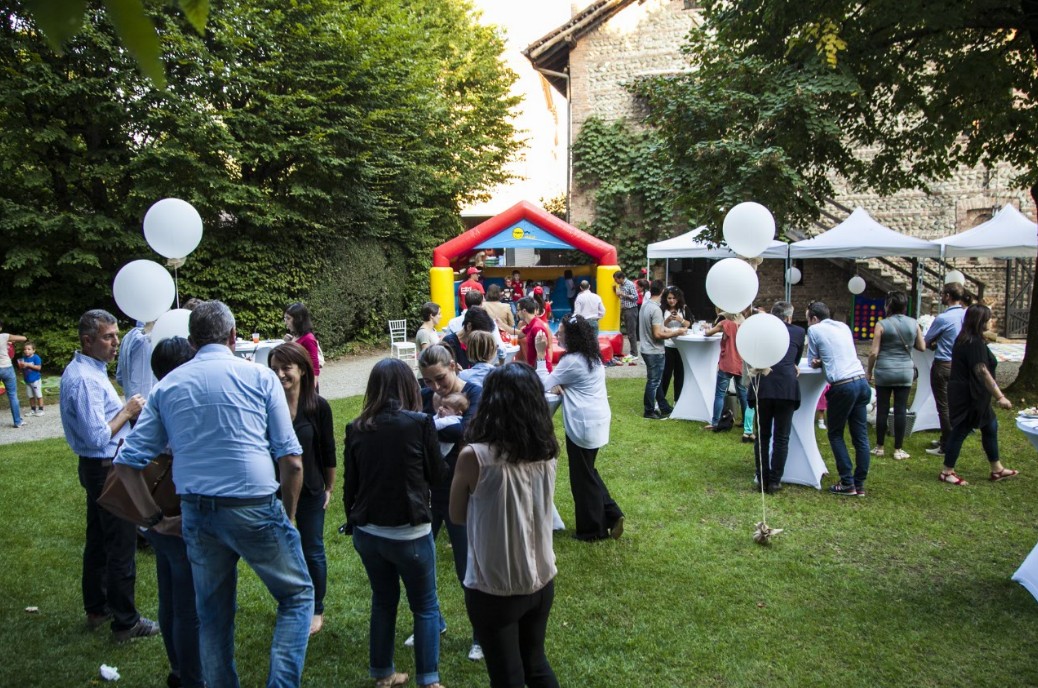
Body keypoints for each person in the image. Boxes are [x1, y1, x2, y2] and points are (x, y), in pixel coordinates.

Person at [117, 300, 313, 687]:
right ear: (233, 336)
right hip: (253, 505)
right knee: (297, 597)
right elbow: (291, 460)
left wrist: (154, 520)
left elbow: (127, 463)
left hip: (198, 512)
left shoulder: (168, 385)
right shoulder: (259, 377)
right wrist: (288, 515)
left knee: (212, 617)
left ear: (192, 342)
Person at [450, 364, 560, 688]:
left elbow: (456, 515)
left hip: (494, 586)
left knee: (507, 678)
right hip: (541, 580)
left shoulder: (474, 456)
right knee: (535, 664)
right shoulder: (547, 451)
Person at [344, 358, 447, 688]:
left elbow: (351, 487)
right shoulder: (418, 423)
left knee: (383, 602)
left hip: (369, 533)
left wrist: (353, 523)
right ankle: (428, 681)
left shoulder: (357, 426)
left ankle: (383, 673)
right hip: (410, 532)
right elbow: (437, 475)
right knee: (426, 606)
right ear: (408, 386)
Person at [59, 309, 157, 639]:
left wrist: (125, 416)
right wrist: (127, 411)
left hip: (99, 468)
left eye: (116, 335)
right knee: (120, 545)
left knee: (99, 540)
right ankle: (126, 622)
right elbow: (97, 437)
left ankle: (98, 607)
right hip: (106, 468)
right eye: (108, 337)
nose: (116, 342)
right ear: (87, 341)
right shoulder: (85, 379)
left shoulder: (90, 369)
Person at [114, 336, 203, 688]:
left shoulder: (155, 399)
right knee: (187, 606)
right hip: (173, 514)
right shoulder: (173, 402)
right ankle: (193, 678)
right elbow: (126, 462)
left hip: (158, 517)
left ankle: (180, 670)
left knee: (171, 597)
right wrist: (156, 517)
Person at [418, 344, 484, 662]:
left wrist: (430, 430)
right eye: (428, 381)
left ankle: (480, 634)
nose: (435, 387)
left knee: (466, 567)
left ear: (454, 366)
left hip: (463, 490)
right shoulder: (423, 396)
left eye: (440, 378)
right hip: (428, 492)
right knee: (419, 561)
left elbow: (467, 435)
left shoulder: (475, 392)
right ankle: (432, 623)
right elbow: (416, 437)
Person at [269, 342, 337, 636]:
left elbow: (328, 449)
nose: (280, 374)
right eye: (274, 369)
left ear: (302, 370)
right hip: (274, 491)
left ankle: (316, 607)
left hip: (310, 490)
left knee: (312, 550)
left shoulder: (317, 406)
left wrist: (329, 487)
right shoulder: (267, 405)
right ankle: (291, 602)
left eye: (286, 368)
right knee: (281, 552)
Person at [535, 315, 622, 541]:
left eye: (561, 332)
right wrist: (562, 384)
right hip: (597, 419)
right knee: (588, 470)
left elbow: (542, 384)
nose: (556, 335)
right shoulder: (590, 357)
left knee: (582, 479)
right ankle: (612, 514)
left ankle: (593, 530)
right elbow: (563, 382)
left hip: (583, 424)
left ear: (572, 337)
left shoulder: (572, 361)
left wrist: (541, 355)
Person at [937, 304, 1018, 486]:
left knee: (990, 426)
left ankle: (997, 469)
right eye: (989, 318)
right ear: (980, 321)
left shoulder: (969, 339)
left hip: (975, 394)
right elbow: (982, 371)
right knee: (961, 430)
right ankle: (947, 471)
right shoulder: (973, 343)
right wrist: (1000, 396)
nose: (992, 321)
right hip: (970, 396)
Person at [806, 301, 871, 497]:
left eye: (808, 319)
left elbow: (811, 361)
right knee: (860, 436)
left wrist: (819, 361)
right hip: (861, 381)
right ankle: (859, 484)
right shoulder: (843, 326)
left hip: (842, 386)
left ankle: (846, 482)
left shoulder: (815, 330)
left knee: (835, 434)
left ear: (814, 319)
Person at [748, 303, 805, 493]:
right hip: (786, 387)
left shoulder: (761, 332)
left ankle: (762, 477)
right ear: (789, 317)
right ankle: (775, 480)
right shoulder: (798, 332)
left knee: (763, 436)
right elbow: (794, 360)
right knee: (782, 436)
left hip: (764, 385)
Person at [866, 291, 925, 460]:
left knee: (882, 408)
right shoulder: (914, 323)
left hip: (884, 371)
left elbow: (873, 353)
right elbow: (921, 346)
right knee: (900, 409)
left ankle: (879, 447)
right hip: (905, 371)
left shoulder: (881, 324)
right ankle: (898, 449)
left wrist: (869, 371)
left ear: (888, 306)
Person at [924, 282, 967, 457]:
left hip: (943, 364)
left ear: (948, 296)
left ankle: (947, 445)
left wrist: (935, 342)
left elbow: (926, 340)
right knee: (955, 405)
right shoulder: (967, 315)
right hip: (961, 364)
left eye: (942, 294)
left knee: (943, 406)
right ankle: (949, 437)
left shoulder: (943, 318)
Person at [640, 280, 688, 419]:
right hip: (654, 350)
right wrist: (676, 333)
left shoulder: (645, 305)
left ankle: (663, 406)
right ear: (662, 292)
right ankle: (649, 410)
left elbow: (658, 327)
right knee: (654, 381)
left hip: (645, 348)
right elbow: (658, 334)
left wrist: (671, 329)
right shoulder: (655, 309)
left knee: (656, 380)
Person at [704, 310, 747, 432]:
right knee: (743, 394)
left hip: (727, 362)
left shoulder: (724, 323)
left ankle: (716, 422)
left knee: (720, 394)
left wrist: (707, 327)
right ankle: (745, 421)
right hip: (741, 362)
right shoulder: (745, 324)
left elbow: (708, 333)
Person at [660, 286, 693, 409]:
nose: (672, 300)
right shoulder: (661, 309)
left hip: (681, 345)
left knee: (680, 374)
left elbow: (689, 324)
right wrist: (668, 320)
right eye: (669, 298)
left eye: (674, 298)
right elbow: (658, 325)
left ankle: (678, 400)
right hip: (667, 345)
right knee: (666, 374)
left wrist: (680, 319)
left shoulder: (683, 309)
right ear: (665, 298)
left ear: (678, 298)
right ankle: (661, 400)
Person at [442, 306, 496, 370]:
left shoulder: (479, 343)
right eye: (480, 334)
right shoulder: (449, 343)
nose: (483, 338)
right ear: (469, 326)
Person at [116, 320, 157, 402]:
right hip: (144, 407)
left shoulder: (128, 336)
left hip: (131, 403)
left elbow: (120, 378)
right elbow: (143, 388)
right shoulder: (146, 340)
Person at [284, 301, 322, 384]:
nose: (285, 321)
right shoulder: (296, 335)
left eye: (288, 318)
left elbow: (315, 367)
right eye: (285, 318)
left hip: (306, 383)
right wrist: (290, 342)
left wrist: (311, 390)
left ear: (298, 320)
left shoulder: (308, 338)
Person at [0, 319, 27, 427]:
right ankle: (17, 421)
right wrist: (9, 340)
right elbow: (23, 338)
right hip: (6, 367)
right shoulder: (4, 336)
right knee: (12, 395)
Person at [517, 297, 553, 373]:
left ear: (524, 311)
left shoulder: (537, 327)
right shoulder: (531, 324)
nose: (517, 313)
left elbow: (540, 353)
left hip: (540, 370)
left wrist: (533, 372)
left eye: (518, 310)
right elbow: (519, 335)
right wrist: (502, 325)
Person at [612, 271, 639, 361]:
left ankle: (634, 354)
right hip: (626, 310)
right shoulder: (622, 285)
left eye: (616, 279)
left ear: (621, 278)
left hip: (631, 309)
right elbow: (623, 297)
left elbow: (636, 297)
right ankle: (632, 352)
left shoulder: (630, 284)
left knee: (631, 332)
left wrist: (623, 294)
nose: (616, 281)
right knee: (629, 332)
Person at [434, 392, 470, 458]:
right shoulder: (447, 416)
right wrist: (438, 415)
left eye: (445, 407)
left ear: (457, 413)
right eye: (441, 405)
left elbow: (433, 424)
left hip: (439, 452)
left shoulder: (453, 420)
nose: (441, 408)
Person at [17, 341, 44, 416]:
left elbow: (38, 368)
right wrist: (21, 367)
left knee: (38, 395)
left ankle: (41, 410)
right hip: (27, 381)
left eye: (29, 349)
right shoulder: (23, 358)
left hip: (35, 380)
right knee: (30, 396)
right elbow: (22, 369)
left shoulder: (36, 357)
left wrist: (28, 364)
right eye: (25, 349)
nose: (26, 351)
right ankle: (33, 410)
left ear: (33, 350)